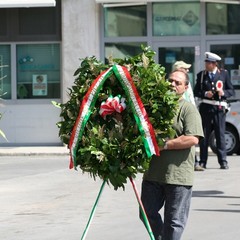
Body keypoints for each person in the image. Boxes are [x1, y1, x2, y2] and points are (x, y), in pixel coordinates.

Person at [140, 69, 204, 240]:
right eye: (170, 80)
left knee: (174, 222)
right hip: (153, 174)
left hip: (178, 177)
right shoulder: (154, 107)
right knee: (146, 213)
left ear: (185, 87)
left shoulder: (188, 109)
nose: (172, 84)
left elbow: (192, 138)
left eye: (178, 83)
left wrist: (165, 145)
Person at [193, 52, 235, 169]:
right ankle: (203, 161)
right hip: (206, 107)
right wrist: (206, 93)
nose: (206, 65)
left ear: (214, 64)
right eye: (206, 62)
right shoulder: (201, 75)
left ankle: (223, 161)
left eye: (208, 63)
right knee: (204, 135)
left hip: (219, 108)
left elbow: (231, 91)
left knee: (220, 134)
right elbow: (196, 91)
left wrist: (223, 93)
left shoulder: (224, 74)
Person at [172, 61, 204, 171]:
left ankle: (196, 162)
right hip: (178, 110)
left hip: (187, 111)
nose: (187, 70)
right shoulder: (175, 84)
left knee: (190, 135)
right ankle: (196, 162)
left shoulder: (185, 83)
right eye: (185, 68)